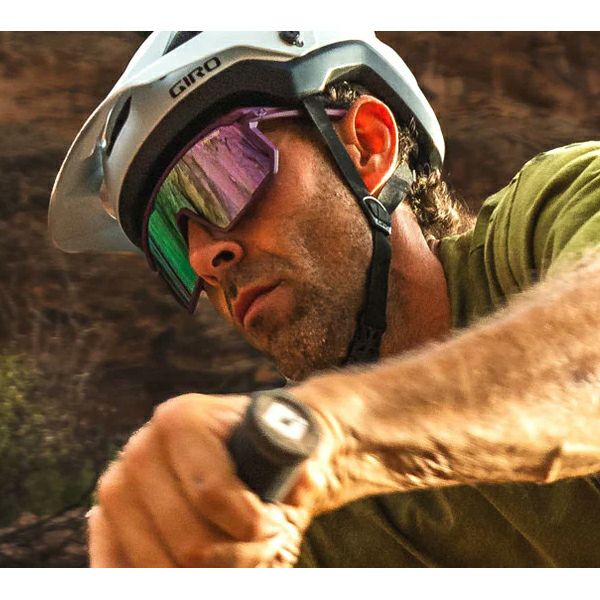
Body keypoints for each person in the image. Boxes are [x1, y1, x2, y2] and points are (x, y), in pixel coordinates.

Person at [48, 31, 600, 567]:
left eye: (223, 173)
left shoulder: (548, 214)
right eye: (170, 240)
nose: (203, 257)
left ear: (369, 146)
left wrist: (328, 435)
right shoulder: (292, 518)